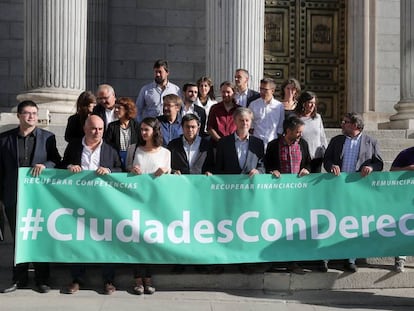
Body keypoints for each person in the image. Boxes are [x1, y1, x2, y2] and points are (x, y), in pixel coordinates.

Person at [0, 100, 61, 294]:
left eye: (34, 113)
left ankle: (43, 279)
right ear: (19, 116)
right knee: (20, 237)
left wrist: (46, 166)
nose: (31, 116)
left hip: (39, 197)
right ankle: (19, 279)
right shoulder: (4, 139)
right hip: (13, 195)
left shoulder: (47, 138)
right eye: (27, 113)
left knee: (39, 236)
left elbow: (56, 161)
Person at [61, 114, 122, 295]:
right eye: (94, 128)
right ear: (85, 129)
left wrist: (109, 170)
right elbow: (62, 164)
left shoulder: (110, 149)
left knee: (107, 241)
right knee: (78, 240)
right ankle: (76, 279)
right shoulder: (73, 147)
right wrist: (70, 166)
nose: (97, 132)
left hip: (103, 203)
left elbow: (120, 169)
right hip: (78, 202)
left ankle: (108, 280)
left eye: (101, 129)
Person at [323, 112, 384, 272]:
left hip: (358, 190)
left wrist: (371, 167)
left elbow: (379, 163)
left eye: (346, 122)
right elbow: (327, 160)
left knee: (353, 224)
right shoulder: (337, 140)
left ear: (355, 125)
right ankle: (325, 257)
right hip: (338, 188)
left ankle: (350, 259)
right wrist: (331, 167)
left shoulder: (371, 142)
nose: (342, 124)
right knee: (332, 222)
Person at [125, 117, 171, 295]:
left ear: (155, 131)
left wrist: (165, 172)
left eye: (147, 130)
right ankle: (137, 278)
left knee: (150, 240)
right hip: (136, 201)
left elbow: (169, 177)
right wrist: (131, 170)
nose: (143, 133)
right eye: (142, 129)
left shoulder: (165, 153)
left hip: (155, 203)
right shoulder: (133, 148)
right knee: (136, 239)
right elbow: (126, 168)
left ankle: (149, 277)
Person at [264, 116, 311, 274]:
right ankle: (274, 259)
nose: (300, 135)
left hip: (297, 195)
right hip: (277, 194)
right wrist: (272, 171)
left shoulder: (303, 144)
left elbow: (309, 162)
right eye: (297, 132)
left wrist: (307, 169)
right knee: (276, 227)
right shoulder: (273, 145)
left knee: (293, 228)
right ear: (288, 130)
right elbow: (267, 163)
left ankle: (293, 261)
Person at [215, 107, 265, 175]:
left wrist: (258, 171)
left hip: (250, 183)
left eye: (247, 120)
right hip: (229, 183)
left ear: (251, 122)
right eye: (241, 120)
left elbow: (262, 166)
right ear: (235, 121)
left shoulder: (258, 143)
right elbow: (218, 167)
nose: (244, 123)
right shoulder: (223, 143)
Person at [389, 146, 414, 272]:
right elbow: (392, 171)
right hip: (406, 199)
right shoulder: (406, 153)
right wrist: (408, 169)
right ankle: (400, 259)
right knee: (404, 229)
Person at [294, 91, 327, 173]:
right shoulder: (296, 118)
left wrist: (326, 152)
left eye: (314, 103)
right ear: (303, 103)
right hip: (301, 157)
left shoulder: (317, 117)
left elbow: (322, 136)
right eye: (310, 103)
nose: (313, 105)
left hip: (316, 157)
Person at [105, 97, 140, 170]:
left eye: (119, 108)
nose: (116, 110)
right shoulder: (112, 126)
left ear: (127, 109)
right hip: (117, 158)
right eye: (115, 108)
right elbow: (107, 144)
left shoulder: (136, 126)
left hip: (133, 158)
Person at [249, 78, 284, 148]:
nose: (262, 92)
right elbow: (250, 125)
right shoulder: (253, 105)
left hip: (272, 143)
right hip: (256, 143)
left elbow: (280, 126)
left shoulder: (279, 106)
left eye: (265, 90)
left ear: (272, 90)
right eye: (261, 89)